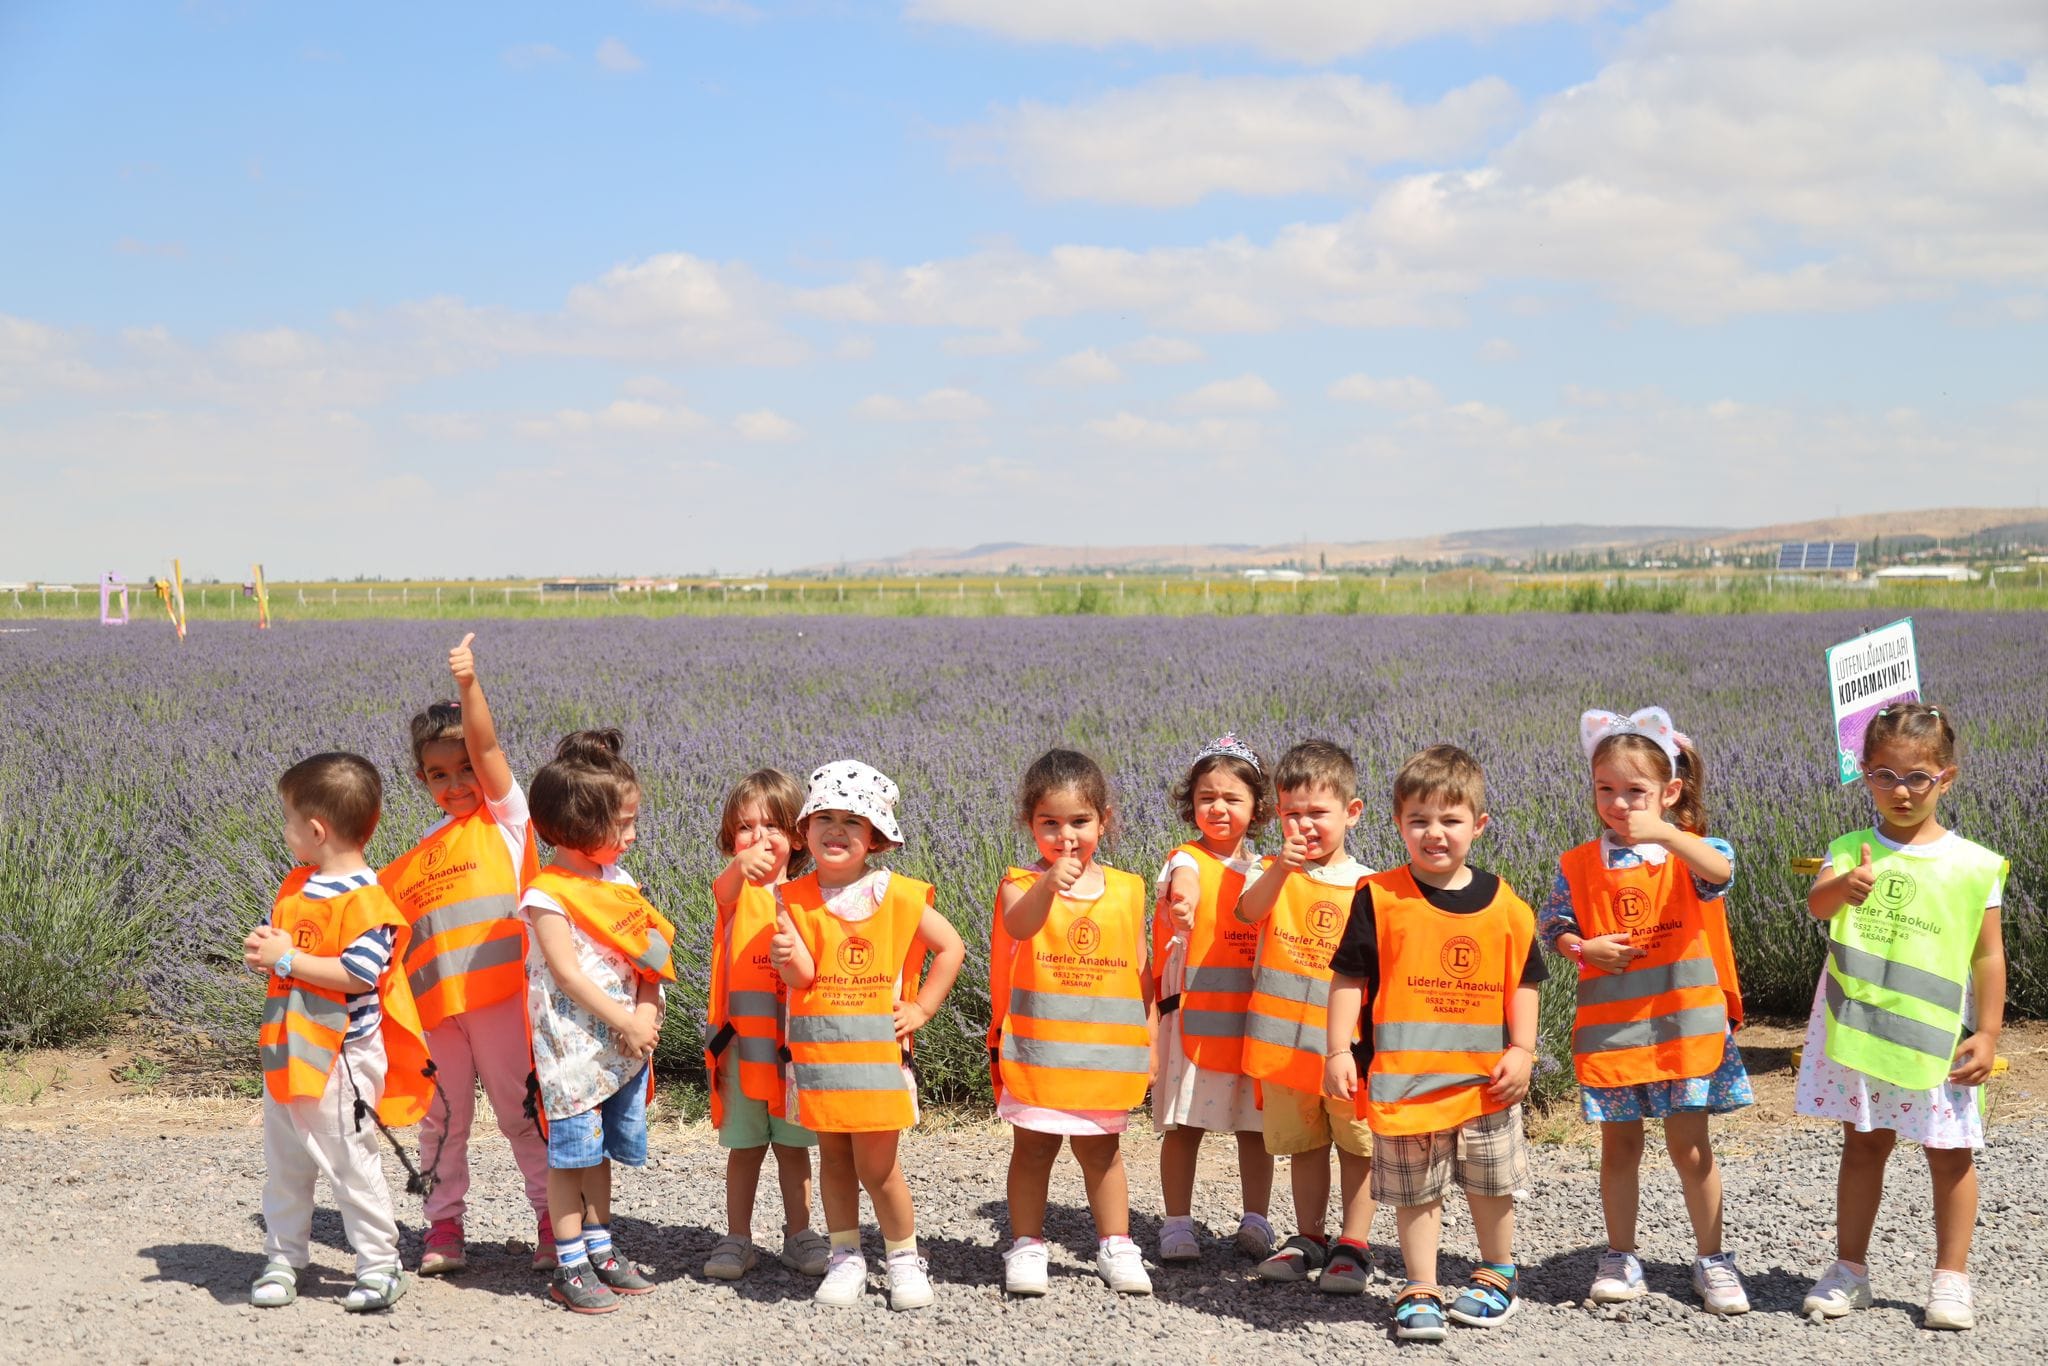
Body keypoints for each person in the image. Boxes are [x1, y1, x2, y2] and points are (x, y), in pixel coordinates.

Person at [1797, 702, 2007, 1332]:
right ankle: (1849, 1271)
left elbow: (1989, 953)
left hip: (1939, 1039)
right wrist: (1845, 888)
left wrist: (1990, 1032)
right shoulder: (1848, 848)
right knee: (1863, 1147)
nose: (1902, 790)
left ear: (1947, 777)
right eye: (1885, 775)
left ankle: (1951, 1279)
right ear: (1864, 774)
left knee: (1951, 1153)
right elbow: (1817, 906)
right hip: (1863, 1030)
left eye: (1919, 776)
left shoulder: (1974, 865)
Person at [1325, 745, 1543, 1343]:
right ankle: (1420, 1284)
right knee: (1415, 1192)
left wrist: (1523, 1051)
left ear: (1479, 825)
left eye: (1451, 820)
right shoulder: (1378, 896)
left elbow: (1526, 981)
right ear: (1398, 824)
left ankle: (1498, 1270)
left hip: (1486, 1084)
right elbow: (1349, 977)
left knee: (1491, 1183)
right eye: (1419, 820)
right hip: (1407, 1083)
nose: (1434, 833)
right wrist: (1339, 1050)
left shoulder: (1506, 904)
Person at [1541, 707, 1751, 1314]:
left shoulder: (1692, 849)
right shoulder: (1578, 862)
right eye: (1606, 789)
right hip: (1616, 1032)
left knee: (1691, 1149)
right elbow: (1555, 923)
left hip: (1684, 1027)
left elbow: (1722, 873)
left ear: (1670, 791)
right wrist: (1582, 947)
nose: (1619, 803)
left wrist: (1666, 835)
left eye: (1636, 791)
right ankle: (1620, 1255)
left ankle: (1713, 1258)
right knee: (1620, 1149)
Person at [378, 634, 551, 1275]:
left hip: (502, 1000)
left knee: (522, 1113)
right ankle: (444, 1228)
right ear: (421, 780)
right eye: (437, 775)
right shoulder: (420, 852)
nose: (455, 785)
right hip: (437, 1012)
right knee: (440, 1120)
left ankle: (551, 1221)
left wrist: (468, 686)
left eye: (464, 771)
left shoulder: (507, 821)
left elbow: (489, 747)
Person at [771, 761, 966, 1311]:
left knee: (879, 1169)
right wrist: (785, 959)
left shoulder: (900, 895)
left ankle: (903, 1256)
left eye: (853, 822)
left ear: (876, 838)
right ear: (804, 830)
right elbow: (802, 977)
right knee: (833, 1161)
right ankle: (845, 1255)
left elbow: (950, 947)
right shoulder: (794, 897)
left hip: (878, 1063)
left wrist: (923, 1005)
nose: (837, 830)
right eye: (824, 818)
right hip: (820, 1061)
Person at [245, 752, 434, 1313]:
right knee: (286, 1162)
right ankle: (284, 1257)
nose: (284, 831)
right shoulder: (299, 884)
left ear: (317, 829)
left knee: (350, 1162)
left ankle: (380, 1265)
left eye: (288, 819)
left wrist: (285, 961)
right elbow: (290, 948)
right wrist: (271, 951)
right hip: (289, 1049)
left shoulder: (368, 902)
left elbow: (358, 975)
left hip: (342, 1060)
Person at [990, 750, 1153, 1298]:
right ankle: (1027, 1245)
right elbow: (1020, 924)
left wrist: (1149, 1040)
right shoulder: (1019, 882)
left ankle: (1116, 1244)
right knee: (1033, 1148)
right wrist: (1049, 884)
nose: (1066, 836)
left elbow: (1139, 970)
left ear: (1104, 820)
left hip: (1103, 1057)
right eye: (1050, 824)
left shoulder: (1129, 888)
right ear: (1030, 825)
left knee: (1102, 1152)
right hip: (1039, 1056)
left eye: (1080, 822)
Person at [521, 731, 672, 1314]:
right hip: (572, 1051)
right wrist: (627, 1019)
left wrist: (647, 1011)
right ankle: (569, 1262)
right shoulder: (547, 895)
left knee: (600, 1152)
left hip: (618, 1046)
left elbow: (649, 956)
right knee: (571, 1158)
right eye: (624, 824)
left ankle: (601, 1247)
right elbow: (567, 975)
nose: (633, 835)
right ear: (578, 829)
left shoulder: (620, 883)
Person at [1235, 740, 1378, 1293]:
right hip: (1286, 1047)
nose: (1304, 825)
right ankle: (1308, 1238)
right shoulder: (1267, 870)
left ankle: (1355, 1244)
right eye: (1291, 814)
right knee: (1304, 1144)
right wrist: (1281, 870)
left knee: (1357, 1146)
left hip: (1348, 1050)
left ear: (1352, 812)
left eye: (1318, 813)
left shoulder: (1370, 885)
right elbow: (1250, 911)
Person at [1152, 733, 1278, 1263]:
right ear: (1191, 804)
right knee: (1185, 1122)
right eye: (1207, 798)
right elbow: (1187, 885)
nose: (1218, 808)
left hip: (1253, 1015)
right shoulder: (1185, 858)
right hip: (1195, 1013)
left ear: (1257, 807)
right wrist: (1183, 907)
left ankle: (1257, 1220)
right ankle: (1176, 1223)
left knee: (1257, 1125)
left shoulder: (1271, 869)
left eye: (1232, 798)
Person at [701, 769, 827, 1282]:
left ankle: (799, 1234)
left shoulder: (810, 894)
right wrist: (739, 866)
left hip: (793, 1048)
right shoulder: (735, 891)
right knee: (746, 1148)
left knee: (794, 1148)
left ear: (798, 837)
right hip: (743, 1049)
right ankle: (738, 1237)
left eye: (773, 826)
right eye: (746, 827)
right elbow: (724, 886)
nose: (759, 838)